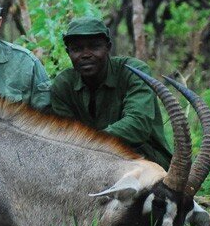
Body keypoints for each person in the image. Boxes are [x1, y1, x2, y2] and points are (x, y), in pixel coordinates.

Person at [50, 16, 172, 169]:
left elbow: (138, 124)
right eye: (77, 49)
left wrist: (91, 141)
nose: (86, 54)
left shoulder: (134, 71)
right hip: (87, 164)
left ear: (108, 47)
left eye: (94, 47)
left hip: (143, 161)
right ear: (68, 53)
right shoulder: (63, 85)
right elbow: (64, 138)